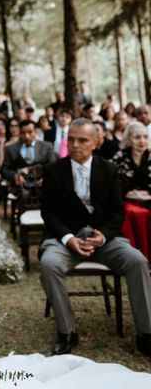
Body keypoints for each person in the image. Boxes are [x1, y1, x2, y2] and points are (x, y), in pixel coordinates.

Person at [39, 118, 151, 356]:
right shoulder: (53, 171)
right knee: (48, 264)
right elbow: (48, 212)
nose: (76, 145)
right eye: (71, 139)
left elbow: (117, 210)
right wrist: (69, 238)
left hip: (104, 239)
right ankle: (66, 332)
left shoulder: (109, 169)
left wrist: (103, 237)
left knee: (138, 261)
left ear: (96, 142)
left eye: (83, 140)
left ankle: (146, 333)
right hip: (66, 240)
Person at [113, 122, 151, 259]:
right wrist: (131, 192)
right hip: (128, 201)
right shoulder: (120, 157)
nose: (142, 141)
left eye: (145, 137)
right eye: (137, 137)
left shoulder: (150, 155)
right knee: (136, 213)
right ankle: (139, 258)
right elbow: (117, 186)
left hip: (148, 200)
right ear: (128, 138)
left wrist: (145, 194)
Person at [2, 120, 56, 192]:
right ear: (19, 133)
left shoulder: (47, 146)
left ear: (35, 132)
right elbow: (4, 169)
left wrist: (46, 179)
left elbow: (53, 167)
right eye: (23, 133)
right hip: (19, 189)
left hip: (43, 189)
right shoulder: (11, 149)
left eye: (30, 132)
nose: (26, 136)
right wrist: (15, 176)